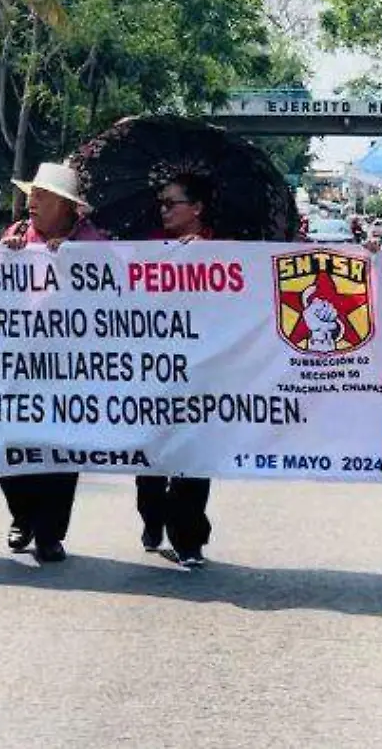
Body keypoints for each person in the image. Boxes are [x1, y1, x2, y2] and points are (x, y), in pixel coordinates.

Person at [0, 163, 105, 564]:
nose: (32, 202)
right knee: (7, 444)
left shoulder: (93, 243)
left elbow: (114, 299)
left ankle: (49, 534)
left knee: (60, 452)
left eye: (41, 196)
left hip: (70, 368)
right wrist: (4, 263)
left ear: (67, 206)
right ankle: (23, 517)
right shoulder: (15, 238)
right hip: (16, 363)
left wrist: (75, 264)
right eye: (32, 194)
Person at [135, 172, 217, 568]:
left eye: (172, 203)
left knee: (194, 457)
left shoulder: (224, 248)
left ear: (197, 208)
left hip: (203, 372)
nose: (163, 210)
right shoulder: (147, 246)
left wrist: (206, 255)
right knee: (150, 461)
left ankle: (189, 538)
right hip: (153, 370)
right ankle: (153, 518)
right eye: (161, 203)